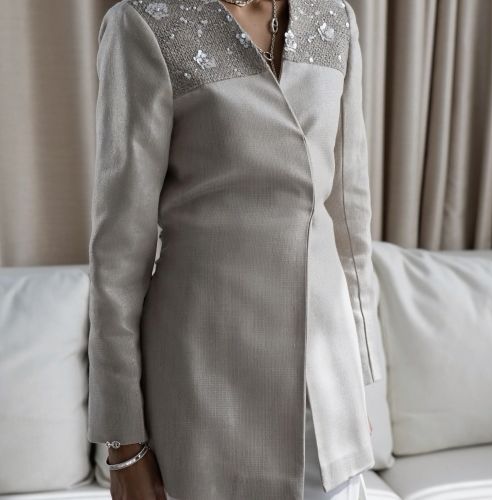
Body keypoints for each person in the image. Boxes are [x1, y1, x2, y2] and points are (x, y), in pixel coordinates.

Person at [87, 0, 382, 498]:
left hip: (327, 390)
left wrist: (361, 384)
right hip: (203, 383)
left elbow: (351, 217)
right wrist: (123, 442)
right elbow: (119, 253)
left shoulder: (334, 19)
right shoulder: (145, 24)